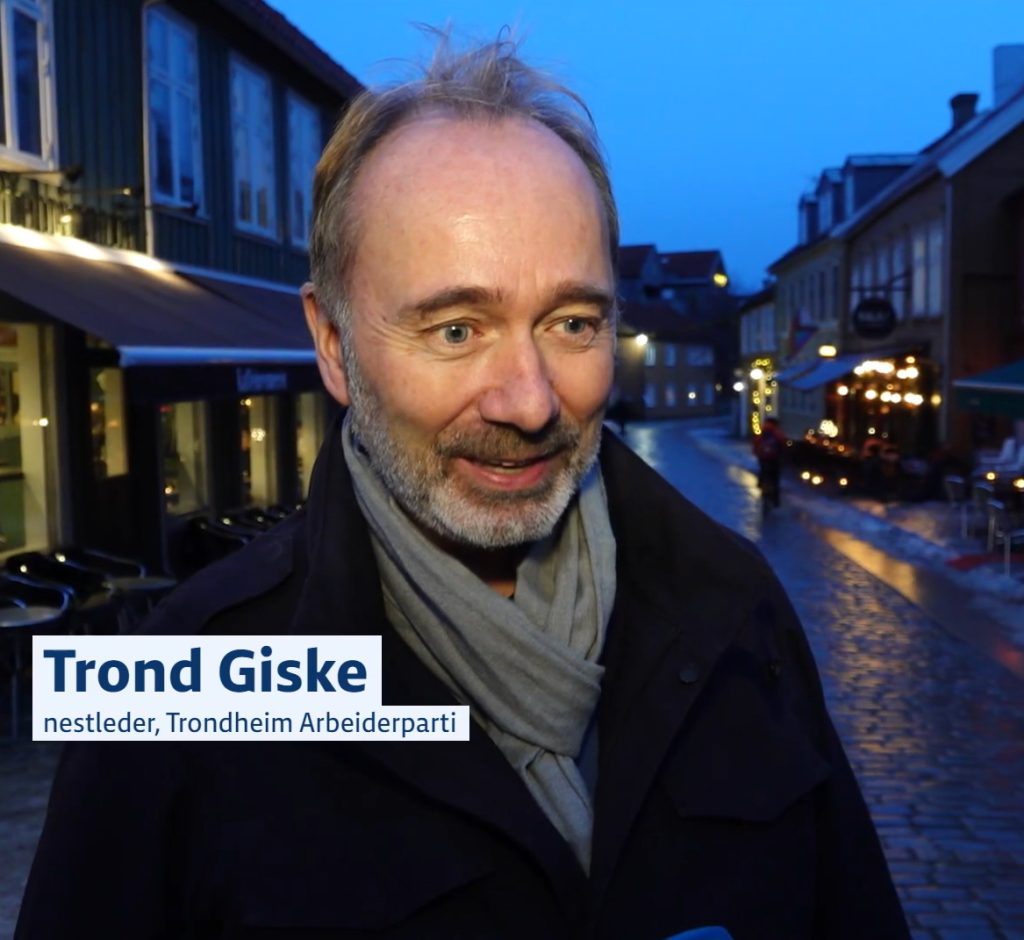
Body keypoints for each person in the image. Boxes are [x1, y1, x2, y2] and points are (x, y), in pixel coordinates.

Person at [17, 36, 909, 939]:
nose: (528, 401)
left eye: (570, 321)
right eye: (454, 329)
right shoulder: (179, 680)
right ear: (333, 344)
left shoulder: (734, 604)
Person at [752, 416, 786, 507]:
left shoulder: (762, 431)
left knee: (763, 471)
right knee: (775, 478)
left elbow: (756, 443)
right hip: (774, 458)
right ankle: (775, 501)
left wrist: (757, 453)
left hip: (763, 457)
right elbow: (782, 444)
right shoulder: (778, 432)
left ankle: (761, 485)